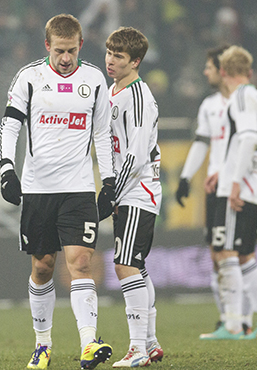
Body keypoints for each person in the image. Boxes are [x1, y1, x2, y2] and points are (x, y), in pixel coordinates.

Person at [0, 13, 115, 370]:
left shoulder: (94, 79)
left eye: (72, 50)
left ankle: (89, 344)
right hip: (38, 190)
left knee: (80, 262)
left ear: (81, 45)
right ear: (47, 45)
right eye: (60, 51)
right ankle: (42, 344)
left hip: (78, 189)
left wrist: (107, 181)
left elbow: (102, 135)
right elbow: (10, 125)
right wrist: (6, 169)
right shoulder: (29, 78)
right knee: (43, 266)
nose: (66, 58)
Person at [199, 46, 257, 341]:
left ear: (223, 71)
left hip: (241, 187)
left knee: (227, 252)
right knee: (244, 254)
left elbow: (247, 140)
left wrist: (232, 184)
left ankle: (234, 323)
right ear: (249, 71)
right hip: (254, 183)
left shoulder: (241, 97)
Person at [104, 26, 163, 368]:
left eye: (119, 56)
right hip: (127, 192)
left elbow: (136, 155)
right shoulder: (114, 91)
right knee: (136, 266)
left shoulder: (140, 98)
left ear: (136, 61)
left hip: (137, 191)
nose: (111, 60)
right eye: (110, 53)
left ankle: (137, 348)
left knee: (125, 265)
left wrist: (111, 191)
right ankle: (150, 344)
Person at [175, 45, 231, 330]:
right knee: (216, 253)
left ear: (223, 69)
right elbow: (201, 142)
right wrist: (185, 177)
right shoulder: (209, 105)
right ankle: (228, 319)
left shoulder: (246, 102)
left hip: (237, 187)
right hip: (214, 187)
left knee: (234, 253)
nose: (204, 71)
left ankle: (240, 320)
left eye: (209, 66)